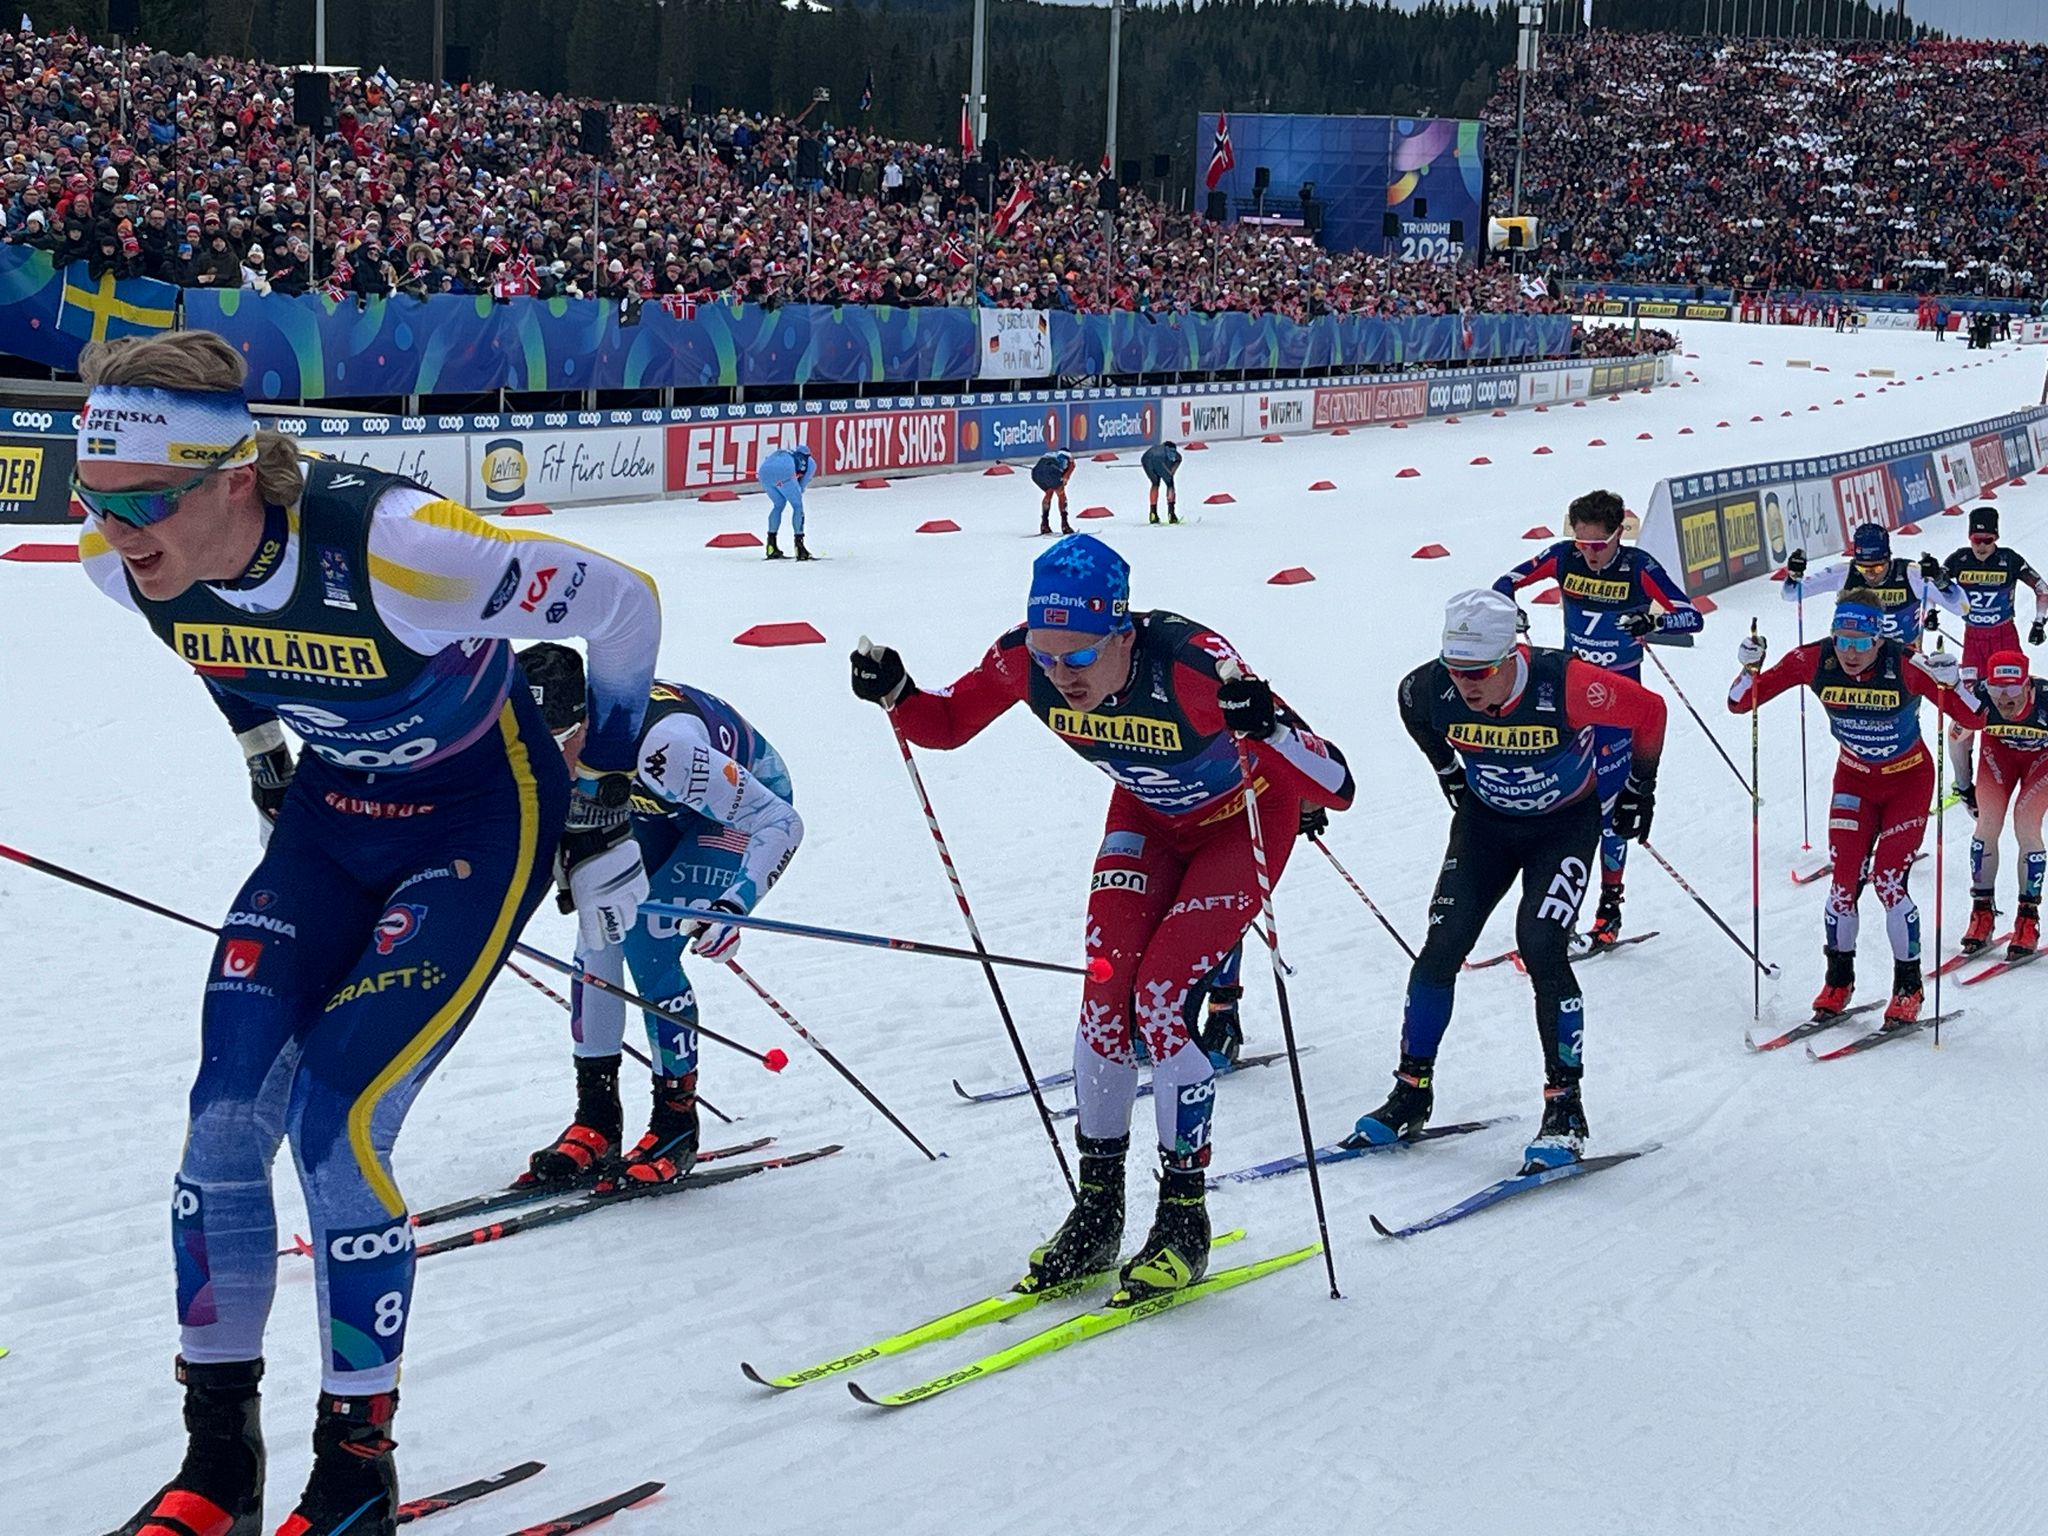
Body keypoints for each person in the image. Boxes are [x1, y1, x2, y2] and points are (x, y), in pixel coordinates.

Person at [76, 331, 660, 1536]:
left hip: (479, 816)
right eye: (92, 497)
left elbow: (622, 603)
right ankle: (217, 1466)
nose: (115, 530)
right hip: (334, 822)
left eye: (144, 502)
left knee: (336, 1125)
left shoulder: (405, 551)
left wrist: (604, 795)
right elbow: (213, 638)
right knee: (221, 1120)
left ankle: (354, 1472)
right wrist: (263, 751)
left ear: (233, 476)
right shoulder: (122, 563)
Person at [848, 534, 1353, 1302]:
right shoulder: (1023, 661)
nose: (1061, 676)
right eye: (1047, 658)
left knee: (1161, 998)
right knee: (1105, 995)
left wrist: (1270, 728)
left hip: (1242, 821)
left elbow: (1338, 783)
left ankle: (1183, 1219)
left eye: (1079, 658)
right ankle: (1098, 1212)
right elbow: (944, 724)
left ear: (1124, 634)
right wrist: (898, 691)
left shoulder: (1193, 666)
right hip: (1147, 819)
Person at [1358, 590, 1667, 1173]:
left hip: (1563, 828)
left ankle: (1565, 1108)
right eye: (1456, 670)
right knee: (1440, 948)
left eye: (1480, 672)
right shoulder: (1430, 687)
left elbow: (1650, 712)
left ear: (1512, 655)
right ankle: (1411, 1091)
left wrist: (1638, 789)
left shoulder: (1567, 683)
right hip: (1485, 828)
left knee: (1542, 944)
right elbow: (1411, 706)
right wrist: (1448, 771)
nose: (1466, 685)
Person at [513, 644, 803, 1193]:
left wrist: (734, 905)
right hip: (651, 807)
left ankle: (676, 1123)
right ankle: (597, 1119)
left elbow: (781, 821)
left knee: (647, 938)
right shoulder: (542, 740)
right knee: (598, 928)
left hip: (733, 814)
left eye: (559, 742)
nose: (551, 761)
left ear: (586, 722)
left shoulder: (664, 749)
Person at [1729, 601, 1984, 1024]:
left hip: (1908, 781)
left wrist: (1954, 683)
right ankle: (1838, 981)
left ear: (1879, 640)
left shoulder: (1906, 665)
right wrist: (1748, 669)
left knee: (1888, 881)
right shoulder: (1813, 659)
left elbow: (1973, 719)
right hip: (1854, 782)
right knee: (1843, 884)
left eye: (1862, 643)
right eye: (1842, 641)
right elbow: (1741, 703)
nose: (1850, 653)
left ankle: (1908, 987)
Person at [1492, 488, 1700, 948]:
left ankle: (1609, 908)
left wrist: (1653, 623)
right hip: (1571, 698)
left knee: (1609, 813)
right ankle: (1556, 913)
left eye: (1598, 545)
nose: (1589, 554)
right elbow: (1505, 582)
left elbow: (1691, 616)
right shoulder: (1562, 556)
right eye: (1582, 543)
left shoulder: (1638, 567)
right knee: (1559, 808)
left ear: (1618, 534)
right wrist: (1509, 611)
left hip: (1620, 703)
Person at [1939, 504, 2048, 811]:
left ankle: (2020, 760)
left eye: (1988, 540)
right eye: (1977, 540)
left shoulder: (2009, 559)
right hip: (1973, 641)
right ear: (1969, 537)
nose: (1982, 546)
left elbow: (2042, 588)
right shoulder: (1959, 560)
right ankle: (1964, 784)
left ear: (1996, 537)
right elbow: (1934, 587)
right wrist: (1932, 605)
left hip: (2004, 639)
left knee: (2014, 699)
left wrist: (2039, 622)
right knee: (1968, 710)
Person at [1961, 650, 2048, 959]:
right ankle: (1981, 913)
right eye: (1997, 689)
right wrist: (1963, 786)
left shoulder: (2045, 699)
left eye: (2012, 689)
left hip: (2042, 760)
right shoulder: (1979, 695)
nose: (2004, 698)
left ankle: (2028, 918)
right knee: (1987, 824)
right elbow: (1958, 737)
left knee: (2026, 823)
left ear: (2027, 685)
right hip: (1997, 755)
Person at [1781, 521, 1962, 647]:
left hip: (1903, 658)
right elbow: (1791, 594)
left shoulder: (1910, 573)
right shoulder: (1844, 573)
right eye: (1862, 567)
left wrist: (1941, 580)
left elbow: (1962, 608)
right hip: (1857, 657)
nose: (1870, 574)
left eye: (1877, 567)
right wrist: (1793, 576)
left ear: (1889, 558)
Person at [756, 442, 816, 562]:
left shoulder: (788, 454)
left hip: (764, 474)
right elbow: (801, 487)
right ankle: (800, 548)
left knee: (778, 505)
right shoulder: (810, 463)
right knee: (797, 506)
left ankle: (771, 546)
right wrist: (794, 490)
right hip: (785, 475)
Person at [1031, 449, 1076, 536]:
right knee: (1061, 495)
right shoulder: (1070, 458)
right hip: (1052, 472)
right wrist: (1064, 480)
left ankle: (1044, 525)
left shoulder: (1050, 454)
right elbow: (1068, 474)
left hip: (1036, 473)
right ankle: (1065, 525)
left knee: (1049, 492)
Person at [1141, 439, 1183, 526]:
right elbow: (1170, 469)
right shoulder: (1166, 455)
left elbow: (1176, 461)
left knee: (1155, 483)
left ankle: (1153, 514)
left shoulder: (1172, 454)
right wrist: (1170, 474)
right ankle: (1171, 514)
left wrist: (1171, 472)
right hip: (1154, 460)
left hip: (1146, 459)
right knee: (1169, 484)